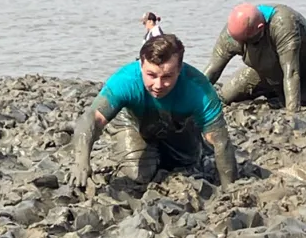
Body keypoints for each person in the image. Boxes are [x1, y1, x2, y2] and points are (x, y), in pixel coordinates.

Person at [67, 34, 238, 187]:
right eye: (151, 75)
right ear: (141, 65)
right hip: (136, 123)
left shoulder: (199, 89)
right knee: (137, 175)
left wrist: (229, 189)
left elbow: (221, 141)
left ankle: (195, 141)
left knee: (186, 164)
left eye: (167, 77)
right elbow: (90, 118)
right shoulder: (126, 80)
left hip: (179, 124)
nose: (158, 85)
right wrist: (81, 161)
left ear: (179, 70)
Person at [203, 2, 306, 112]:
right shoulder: (233, 32)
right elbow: (213, 68)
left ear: (261, 28)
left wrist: (292, 112)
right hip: (265, 70)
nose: (242, 45)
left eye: (248, 41)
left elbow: (291, 71)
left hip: (305, 70)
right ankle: (273, 91)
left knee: (304, 100)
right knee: (226, 96)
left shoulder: (283, 24)